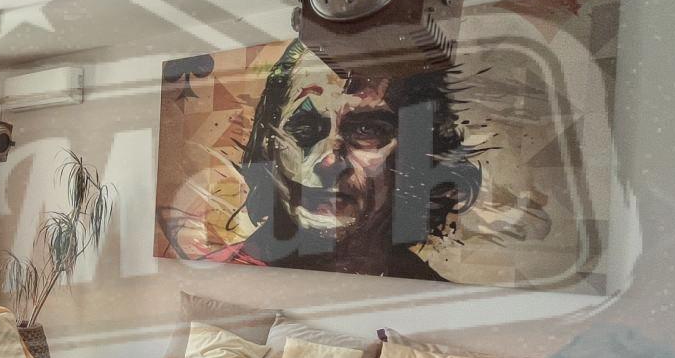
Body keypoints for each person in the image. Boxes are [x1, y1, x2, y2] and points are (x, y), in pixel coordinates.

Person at [176, 41, 481, 280]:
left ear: (416, 153)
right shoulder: (219, 278)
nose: (329, 160)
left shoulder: (434, 300)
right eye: (304, 128)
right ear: (268, 146)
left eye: (366, 130)